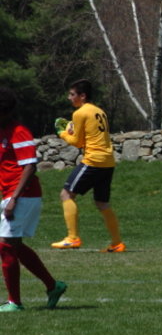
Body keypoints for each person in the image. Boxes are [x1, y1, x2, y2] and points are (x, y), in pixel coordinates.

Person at [0, 87, 67, 311]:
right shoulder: (3, 132)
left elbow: (30, 166)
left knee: (5, 245)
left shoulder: (19, 132)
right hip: (11, 194)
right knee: (15, 246)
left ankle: (14, 302)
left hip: (23, 195)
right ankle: (53, 286)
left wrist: (14, 199)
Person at [52, 79, 125, 252]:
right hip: (108, 161)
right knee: (102, 203)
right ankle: (117, 243)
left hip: (94, 160)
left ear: (82, 96)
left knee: (66, 194)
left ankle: (72, 238)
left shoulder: (80, 113)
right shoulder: (99, 111)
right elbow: (89, 135)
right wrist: (71, 129)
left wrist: (62, 133)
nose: (69, 98)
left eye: (72, 94)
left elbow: (77, 142)